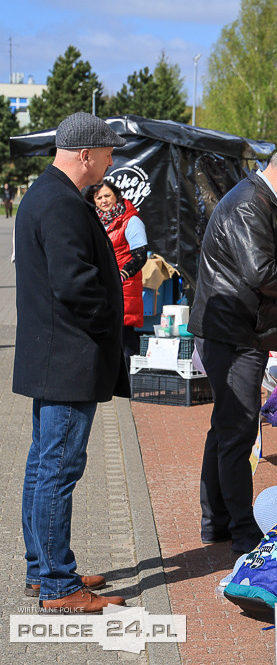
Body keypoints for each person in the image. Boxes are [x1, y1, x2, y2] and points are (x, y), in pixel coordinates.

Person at [188, 142, 277, 553]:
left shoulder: (268, 203)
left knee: (226, 427)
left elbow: (276, 264)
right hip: (233, 333)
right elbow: (260, 272)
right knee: (237, 429)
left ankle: (217, 521)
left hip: (240, 328)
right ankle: (241, 529)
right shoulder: (251, 204)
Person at [15, 111, 130, 613]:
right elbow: (75, 285)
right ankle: (58, 584)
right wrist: (111, 326)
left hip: (55, 355)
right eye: (107, 153)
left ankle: (45, 568)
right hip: (68, 356)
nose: (111, 161)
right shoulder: (60, 202)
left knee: (45, 467)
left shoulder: (49, 194)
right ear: (85, 154)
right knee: (57, 469)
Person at [85, 180, 148, 367]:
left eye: (107, 196)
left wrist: (120, 276)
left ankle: (132, 383)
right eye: (99, 197)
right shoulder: (97, 220)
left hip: (124, 288)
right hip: (104, 286)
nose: (103, 201)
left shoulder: (131, 220)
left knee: (125, 337)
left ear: (117, 196)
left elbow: (140, 256)